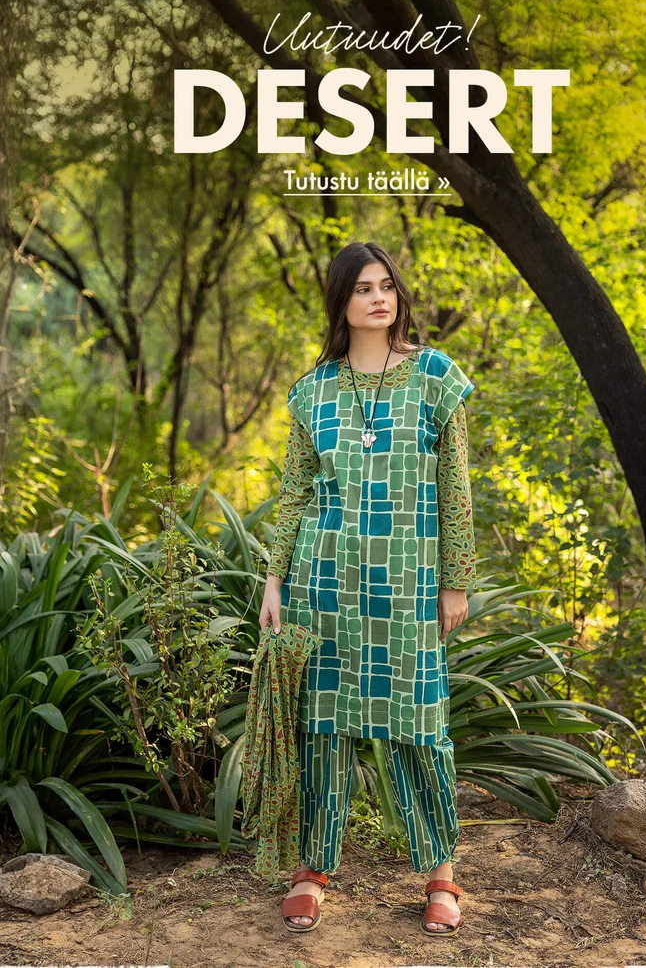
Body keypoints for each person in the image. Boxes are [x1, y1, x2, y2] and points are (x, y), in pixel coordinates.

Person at [259, 240, 476, 936]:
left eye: (386, 285)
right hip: (327, 582)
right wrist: (275, 579)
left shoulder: (436, 378)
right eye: (362, 288)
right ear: (341, 302)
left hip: (409, 582)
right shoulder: (314, 390)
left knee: (420, 723)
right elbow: (293, 493)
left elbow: (457, 491)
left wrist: (455, 583)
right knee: (322, 724)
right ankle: (311, 868)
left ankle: (441, 872)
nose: (378, 297)